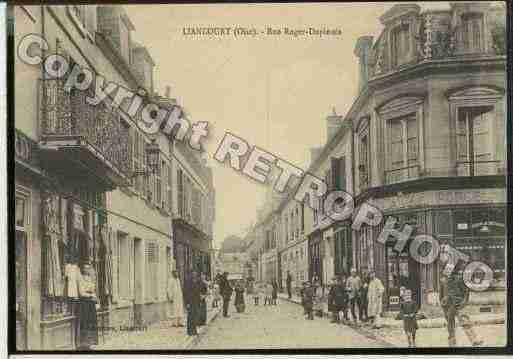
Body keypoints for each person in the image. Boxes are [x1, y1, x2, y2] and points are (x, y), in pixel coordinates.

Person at [439, 263, 483, 347]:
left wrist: (464, 302)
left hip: (458, 305)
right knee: (450, 325)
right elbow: (441, 294)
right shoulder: (443, 281)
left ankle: (474, 340)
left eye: (450, 269)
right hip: (447, 305)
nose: (448, 271)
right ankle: (452, 343)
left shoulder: (459, 279)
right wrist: (442, 303)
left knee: (465, 322)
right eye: (446, 270)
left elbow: (466, 292)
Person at [77, 262, 98, 350]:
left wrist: (94, 298)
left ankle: (91, 342)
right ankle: (84, 343)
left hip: (91, 303)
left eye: (88, 268)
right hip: (84, 303)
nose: (87, 269)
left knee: (92, 322)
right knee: (85, 321)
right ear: (82, 269)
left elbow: (93, 290)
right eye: (85, 268)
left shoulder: (91, 279)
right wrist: (90, 295)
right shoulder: (80, 279)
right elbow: (81, 293)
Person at [184, 271, 201, 336]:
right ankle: (190, 331)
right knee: (190, 317)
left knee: (195, 317)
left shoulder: (196, 281)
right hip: (190, 302)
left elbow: (197, 291)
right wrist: (187, 303)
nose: (195, 275)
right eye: (194, 274)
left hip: (196, 302)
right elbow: (186, 293)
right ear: (191, 275)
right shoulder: (188, 283)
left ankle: (194, 330)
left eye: (195, 274)